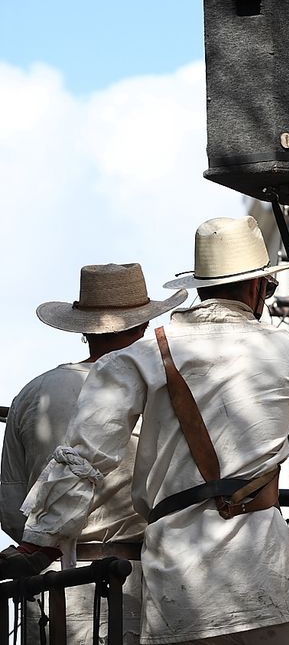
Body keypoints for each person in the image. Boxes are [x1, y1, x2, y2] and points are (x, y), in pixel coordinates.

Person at [3, 216, 289, 645]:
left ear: (201, 287)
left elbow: (84, 457)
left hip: (176, 580)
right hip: (262, 566)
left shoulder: (137, 359)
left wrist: (41, 542)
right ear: (258, 288)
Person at [1, 262, 186, 644]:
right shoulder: (162, 395)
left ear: (84, 330)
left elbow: (11, 509)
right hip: (132, 587)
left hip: (47, 590)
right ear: (143, 328)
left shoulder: (34, 393)